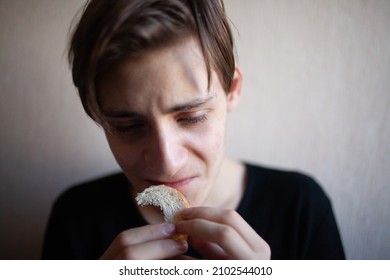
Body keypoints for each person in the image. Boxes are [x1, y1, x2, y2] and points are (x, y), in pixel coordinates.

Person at [42, 0, 345, 260]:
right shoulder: (75, 217)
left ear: (232, 90)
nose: (167, 163)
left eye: (192, 117)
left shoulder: (301, 208)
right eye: (128, 126)